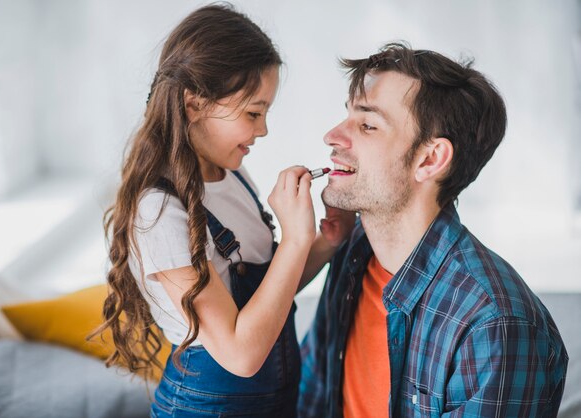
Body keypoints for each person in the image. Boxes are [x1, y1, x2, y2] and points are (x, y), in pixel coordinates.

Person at [91, 4, 352, 418]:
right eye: (253, 113)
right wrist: (295, 238)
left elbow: (264, 301)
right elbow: (240, 354)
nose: (263, 129)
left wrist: (324, 243)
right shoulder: (159, 212)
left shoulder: (229, 172)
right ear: (194, 105)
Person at [298, 43, 568, 418]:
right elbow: (309, 398)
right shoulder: (351, 249)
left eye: (368, 125)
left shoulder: (495, 327)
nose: (332, 136)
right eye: (346, 116)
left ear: (430, 159)